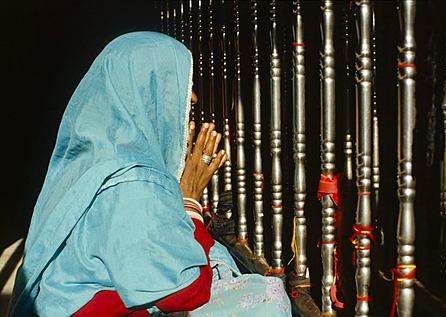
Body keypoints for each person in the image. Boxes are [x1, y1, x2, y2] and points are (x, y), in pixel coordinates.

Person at [8, 31, 291, 316]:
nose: (192, 98)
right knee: (265, 299)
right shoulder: (134, 179)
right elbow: (185, 290)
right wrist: (189, 200)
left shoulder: (89, 160)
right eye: (176, 85)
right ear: (144, 93)